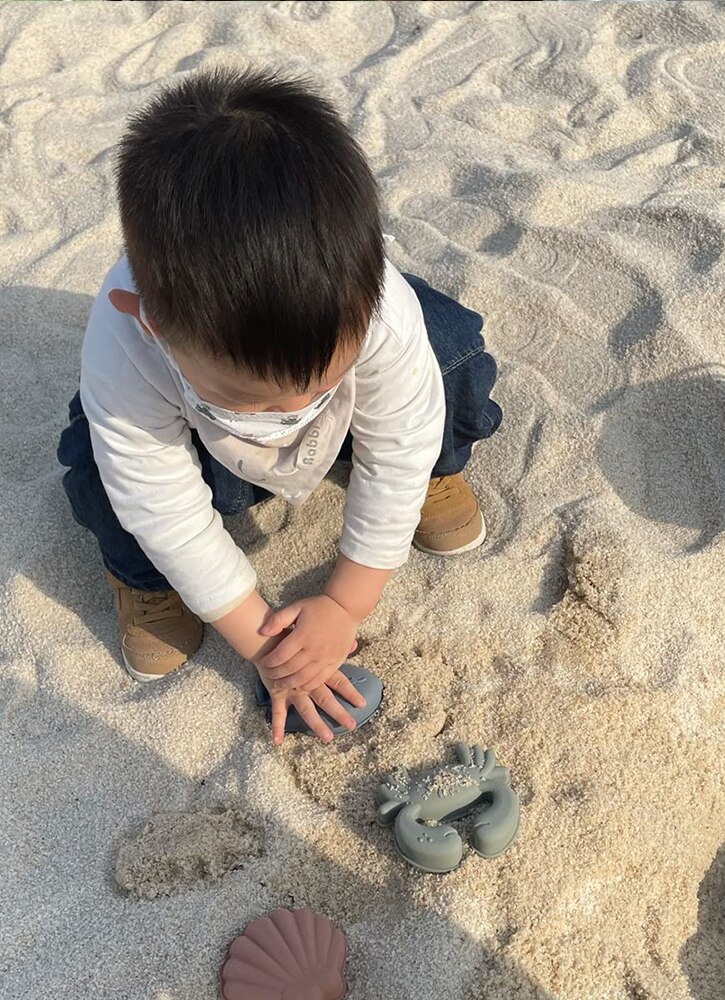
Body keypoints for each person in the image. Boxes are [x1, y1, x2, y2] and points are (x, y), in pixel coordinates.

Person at [56, 66, 502, 744]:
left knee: (450, 364)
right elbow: (163, 503)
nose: (296, 407)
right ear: (151, 325)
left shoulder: (382, 312)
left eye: (323, 377)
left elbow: (398, 439)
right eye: (252, 396)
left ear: (368, 283)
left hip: (363, 406)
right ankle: (142, 582)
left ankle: (440, 474)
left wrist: (347, 604)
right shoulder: (127, 346)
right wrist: (263, 643)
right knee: (102, 472)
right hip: (213, 455)